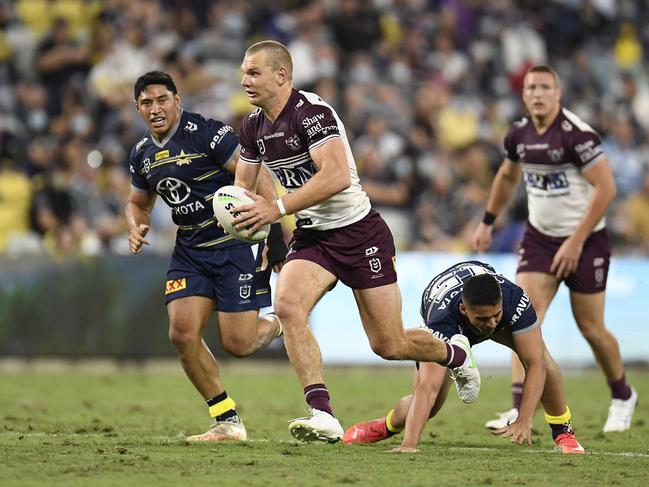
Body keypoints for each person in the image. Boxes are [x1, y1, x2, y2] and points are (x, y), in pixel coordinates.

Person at [230, 40, 480, 443]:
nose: (245, 80)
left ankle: (454, 354)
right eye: (243, 72)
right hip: (313, 237)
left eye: (253, 72)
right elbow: (242, 185)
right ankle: (323, 413)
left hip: (360, 232)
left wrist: (275, 208)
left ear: (281, 75)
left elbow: (336, 177)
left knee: (390, 344)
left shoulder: (311, 114)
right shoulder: (253, 125)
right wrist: (245, 226)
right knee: (288, 306)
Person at [472, 65, 637, 433]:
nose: (538, 94)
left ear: (558, 93)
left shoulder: (577, 136)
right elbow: (508, 176)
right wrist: (487, 220)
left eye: (545, 87)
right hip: (541, 238)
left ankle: (622, 394)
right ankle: (519, 407)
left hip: (587, 240)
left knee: (591, 327)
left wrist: (576, 242)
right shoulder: (519, 134)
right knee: (521, 320)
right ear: (524, 94)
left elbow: (606, 189)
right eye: (532, 87)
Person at [125, 71, 287, 442]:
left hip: (234, 245)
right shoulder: (141, 154)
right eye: (146, 103)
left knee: (239, 344)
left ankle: (280, 324)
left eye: (162, 99)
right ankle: (227, 420)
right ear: (137, 107)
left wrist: (275, 236)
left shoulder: (207, 133)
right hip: (190, 251)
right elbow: (137, 202)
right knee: (182, 334)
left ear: (177, 100)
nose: (155, 108)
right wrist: (136, 225)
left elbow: (257, 177)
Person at [343, 261, 585, 454]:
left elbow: (535, 365)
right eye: (483, 319)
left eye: (496, 315)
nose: (491, 324)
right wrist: (409, 445)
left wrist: (524, 419)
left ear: (501, 304)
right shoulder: (442, 321)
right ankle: (386, 426)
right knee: (430, 404)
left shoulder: (514, 299)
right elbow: (428, 388)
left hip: (478, 291)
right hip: (443, 316)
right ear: (464, 309)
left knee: (542, 356)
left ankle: (562, 430)